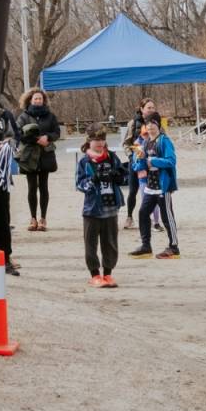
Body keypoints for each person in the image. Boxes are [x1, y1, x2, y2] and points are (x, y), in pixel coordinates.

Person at [74, 127, 127, 287]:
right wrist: (93, 180)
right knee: (91, 243)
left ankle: (108, 273)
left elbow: (123, 175)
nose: (99, 143)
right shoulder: (84, 161)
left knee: (110, 242)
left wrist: (119, 177)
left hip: (111, 206)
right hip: (92, 209)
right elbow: (79, 184)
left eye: (102, 139)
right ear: (89, 141)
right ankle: (95, 274)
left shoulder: (112, 157)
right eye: (96, 140)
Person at [128, 117, 180, 259]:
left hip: (163, 185)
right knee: (143, 213)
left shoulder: (164, 141)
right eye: (148, 124)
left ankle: (174, 247)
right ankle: (146, 246)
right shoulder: (145, 143)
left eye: (153, 124)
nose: (150, 127)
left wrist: (152, 160)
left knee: (167, 216)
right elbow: (138, 166)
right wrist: (139, 158)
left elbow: (171, 161)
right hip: (150, 185)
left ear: (159, 125)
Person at [16, 89, 61, 233]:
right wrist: (36, 139)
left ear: (44, 100)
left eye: (40, 99)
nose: (38, 101)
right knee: (31, 187)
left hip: (45, 155)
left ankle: (43, 218)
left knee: (44, 187)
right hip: (29, 156)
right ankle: (33, 218)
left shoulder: (50, 116)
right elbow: (19, 134)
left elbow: (57, 132)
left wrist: (47, 138)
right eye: (35, 99)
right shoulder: (23, 116)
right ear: (30, 100)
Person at [0, 111, 21, 276]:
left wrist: (6, 145)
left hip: (1, 177)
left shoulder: (4, 115)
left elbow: (15, 137)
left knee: (2, 219)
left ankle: (4, 258)